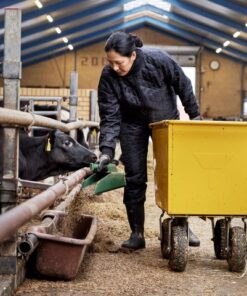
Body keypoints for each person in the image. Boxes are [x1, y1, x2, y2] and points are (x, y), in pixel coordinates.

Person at [97, 31, 200, 251]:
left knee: (174, 172)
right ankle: (137, 233)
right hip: (132, 124)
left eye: (119, 62)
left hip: (165, 121)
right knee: (134, 176)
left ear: (133, 55)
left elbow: (183, 84)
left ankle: (182, 224)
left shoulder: (158, 60)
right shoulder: (109, 76)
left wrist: (195, 116)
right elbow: (110, 115)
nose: (114, 67)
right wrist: (106, 150)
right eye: (110, 62)